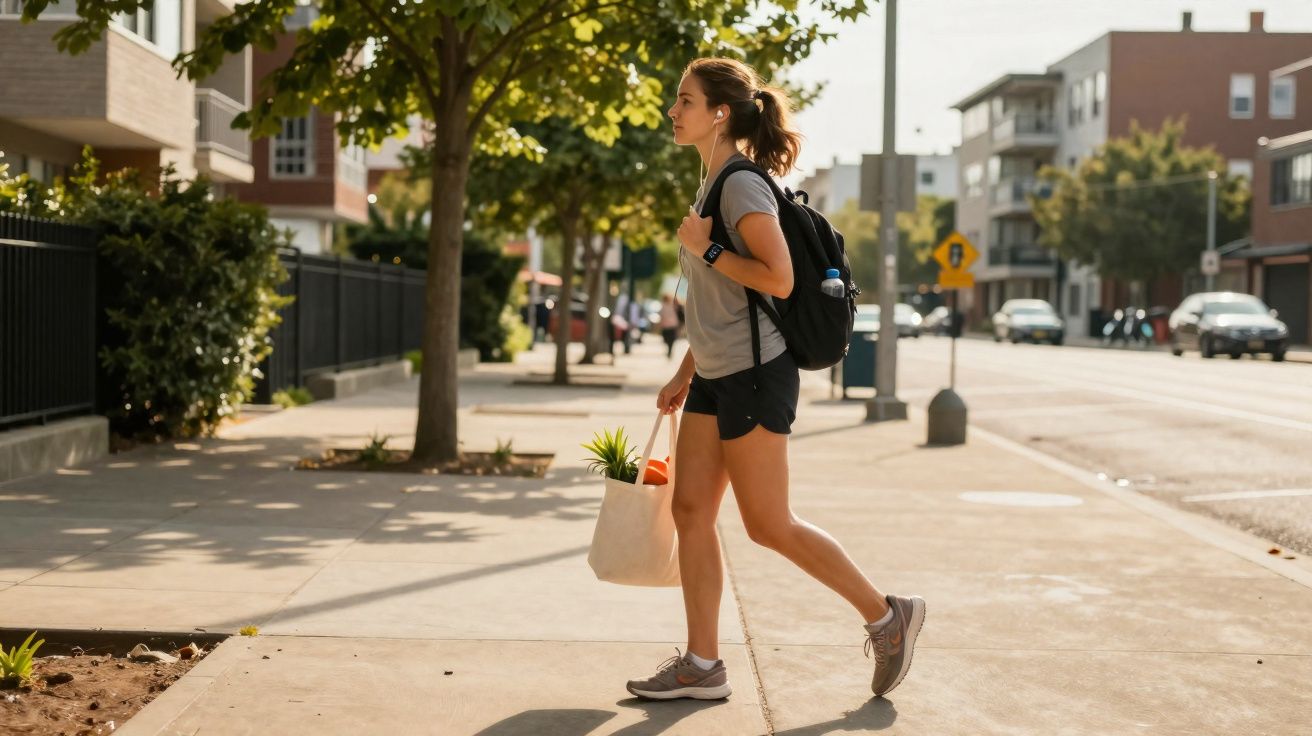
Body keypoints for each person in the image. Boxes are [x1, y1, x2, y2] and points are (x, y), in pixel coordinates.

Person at [625, 57, 926, 702]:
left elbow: (778, 279)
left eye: (685, 100)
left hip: (757, 376)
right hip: (716, 372)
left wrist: (706, 247)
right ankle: (703, 666)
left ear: (720, 113)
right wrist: (685, 371)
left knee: (768, 524)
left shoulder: (740, 187)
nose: (673, 112)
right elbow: (717, 303)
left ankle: (885, 616)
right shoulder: (710, 186)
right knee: (689, 512)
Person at [659, 294, 681, 359]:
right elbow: (661, 315)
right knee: (667, 339)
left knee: (671, 339)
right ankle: (669, 349)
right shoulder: (663, 306)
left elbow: (679, 309)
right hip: (667, 325)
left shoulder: (673, 305)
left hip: (671, 325)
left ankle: (669, 351)